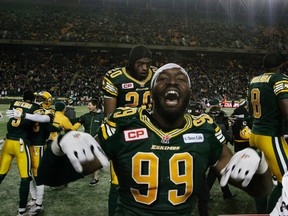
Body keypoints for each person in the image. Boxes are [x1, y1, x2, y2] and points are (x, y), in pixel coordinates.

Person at [37, 63, 273, 215]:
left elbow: (258, 190)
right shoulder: (122, 123)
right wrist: (58, 147)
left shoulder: (206, 130)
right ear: (150, 92)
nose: (172, 82)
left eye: (181, 79)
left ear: (190, 94)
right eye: (163, 78)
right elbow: (50, 177)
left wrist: (260, 165)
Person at [101, 45, 157, 216]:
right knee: (118, 182)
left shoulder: (157, 74)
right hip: (124, 135)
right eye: (140, 64)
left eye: (147, 64)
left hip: (152, 134)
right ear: (132, 62)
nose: (145, 68)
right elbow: (110, 117)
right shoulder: (114, 77)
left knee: (151, 180)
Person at [248, 53, 288, 214]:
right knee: (285, 180)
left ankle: (261, 212)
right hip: (271, 137)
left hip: (255, 134)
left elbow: (251, 110)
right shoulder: (279, 79)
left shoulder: (254, 80)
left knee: (262, 178)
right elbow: (286, 109)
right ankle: (273, 212)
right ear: (281, 65)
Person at [1, 90, 39, 216]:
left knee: (1, 173)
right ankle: (22, 210)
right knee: (25, 177)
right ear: (33, 99)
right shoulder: (35, 107)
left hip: (8, 142)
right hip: (21, 144)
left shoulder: (14, 103)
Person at [76, 98, 104, 186]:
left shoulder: (102, 116)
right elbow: (76, 122)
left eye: (89, 105)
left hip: (97, 140)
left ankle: (96, 177)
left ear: (95, 106)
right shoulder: (86, 116)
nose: (88, 106)